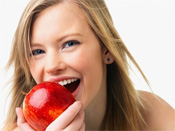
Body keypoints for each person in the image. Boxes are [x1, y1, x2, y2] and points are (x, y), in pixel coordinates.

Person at [2, 0, 174, 130]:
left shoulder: (152, 117)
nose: (52, 66)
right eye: (37, 52)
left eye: (70, 44)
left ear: (107, 49)